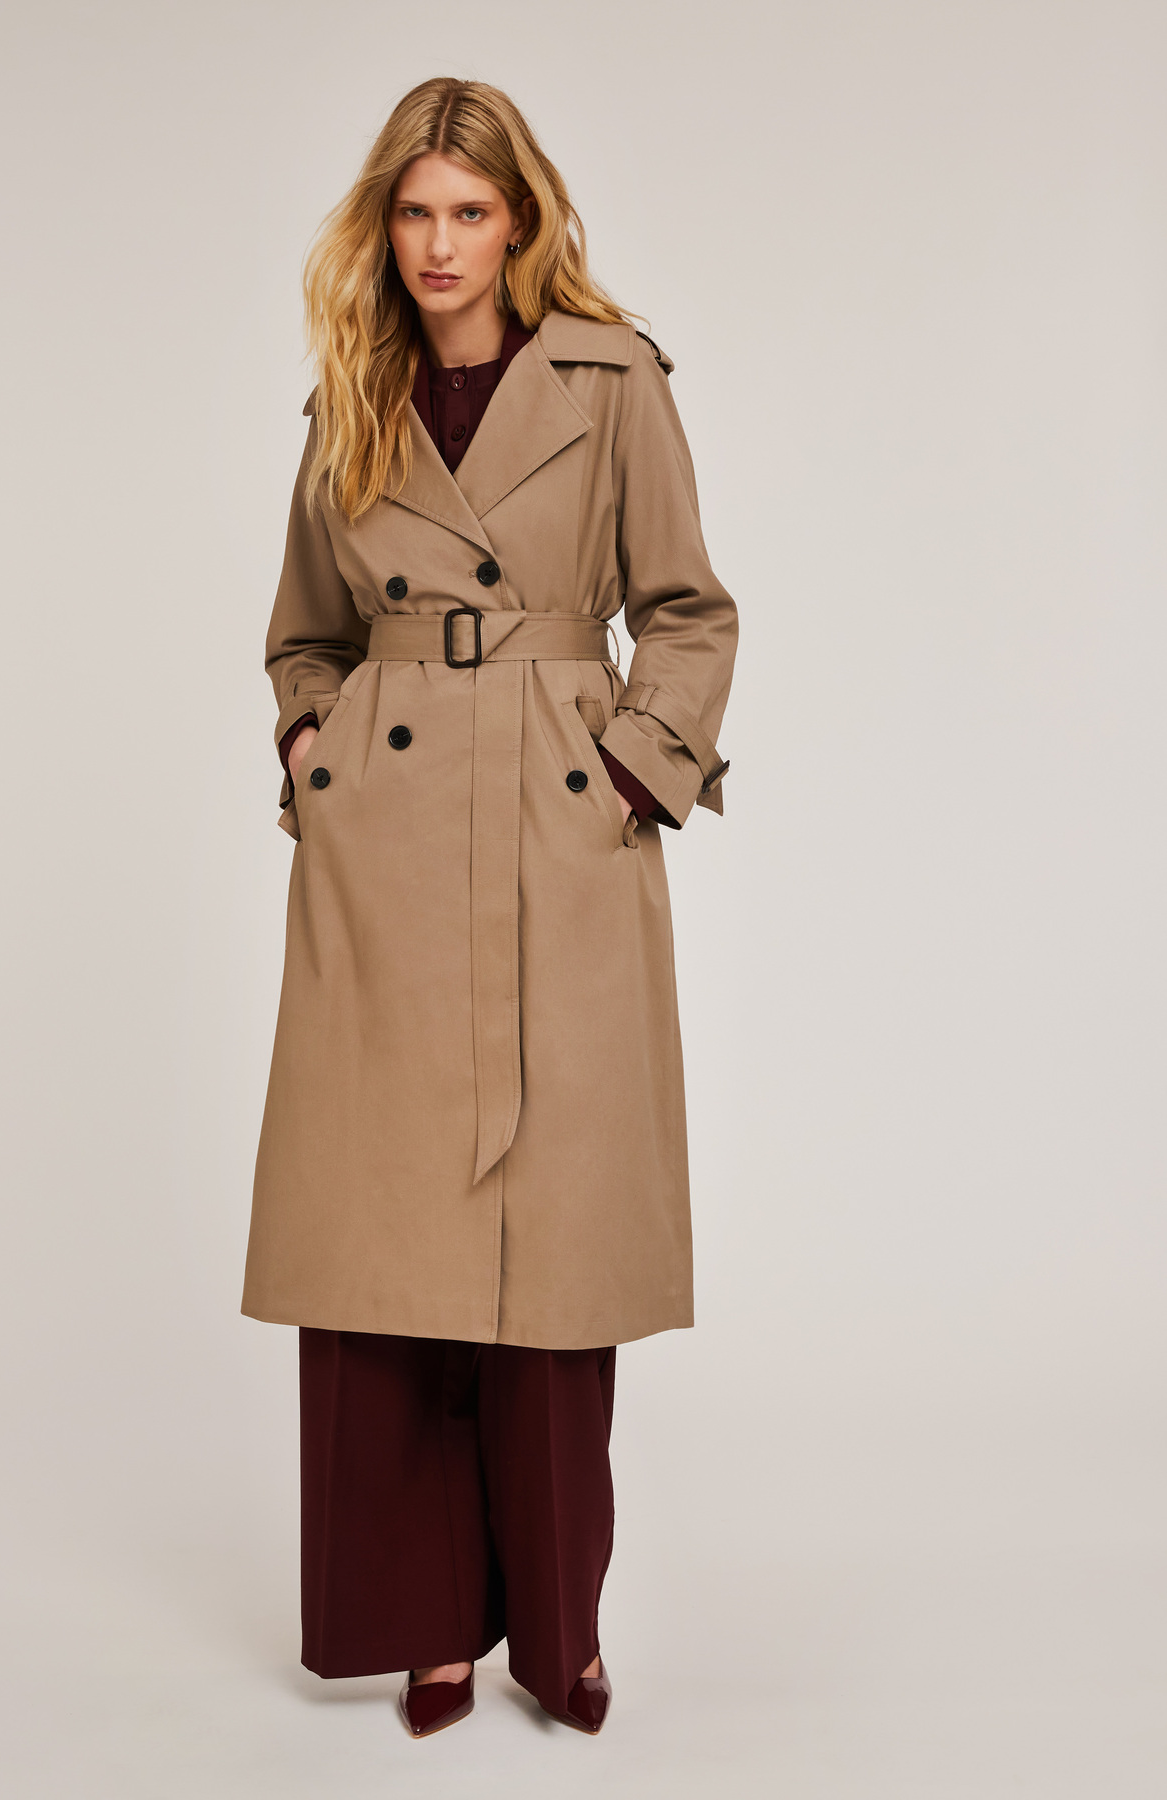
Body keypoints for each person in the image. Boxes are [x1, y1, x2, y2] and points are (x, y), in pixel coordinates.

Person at [242, 76, 738, 1739]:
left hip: (554, 821)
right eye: (413, 212)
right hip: (382, 848)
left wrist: (631, 773)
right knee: (381, 1244)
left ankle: (557, 1628)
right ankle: (425, 1623)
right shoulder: (352, 392)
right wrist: (315, 753)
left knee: (553, 1245)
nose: (439, 243)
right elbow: (302, 632)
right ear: (381, 228)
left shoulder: (610, 380)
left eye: (468, 211)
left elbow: (688, 608)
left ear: (518, 220)